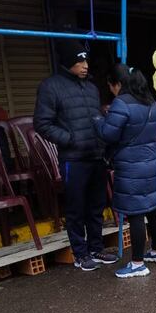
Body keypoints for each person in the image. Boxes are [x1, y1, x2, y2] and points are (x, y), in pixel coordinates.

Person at [33, 39, 117, 271]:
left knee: (96, 206)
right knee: (76, 207)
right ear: (69, 62)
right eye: (80, 61)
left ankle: (96, 248)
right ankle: (80, 254)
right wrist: (70, 139)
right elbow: (42, 123)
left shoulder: (91, 88)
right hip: (73, 159)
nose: (85, 65)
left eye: (86, 60)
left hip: (96, 155)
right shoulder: (51, 87)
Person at [94, 64, 156, 278]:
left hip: (131, 166)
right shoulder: (151, 102)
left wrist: (98, 120)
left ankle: (137, 264)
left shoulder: (121, 103)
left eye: (110, 85)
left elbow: (108, 134)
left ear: (117, 84)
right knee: (153, 208)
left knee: (135, 213)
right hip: (151, 163)